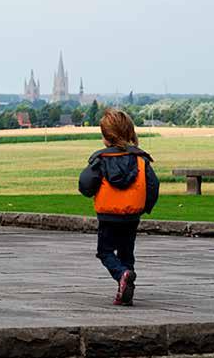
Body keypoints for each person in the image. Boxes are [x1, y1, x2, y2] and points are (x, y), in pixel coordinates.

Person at [79, 108, 159, 306]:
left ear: (106, 136)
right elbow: (152, 186)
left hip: (108, 215)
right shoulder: (141, 160)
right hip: (132, 215)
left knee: (105, 251)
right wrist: (145, 206)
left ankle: (121, 275)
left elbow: (86, 185)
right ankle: (125, 286)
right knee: (126, 253)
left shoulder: (101, 160)